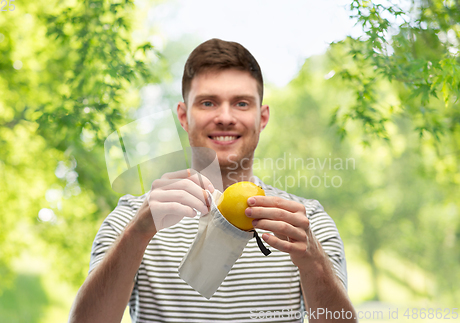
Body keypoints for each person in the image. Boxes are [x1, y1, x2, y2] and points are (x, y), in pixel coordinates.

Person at [68, 38, 357, 323]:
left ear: (262, 117)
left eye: (241, 103)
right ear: (183, 116)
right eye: (208, 103)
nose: (225, 117)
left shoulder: (306, 224)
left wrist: (314, 262)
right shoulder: (134, 218)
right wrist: (137, 235)